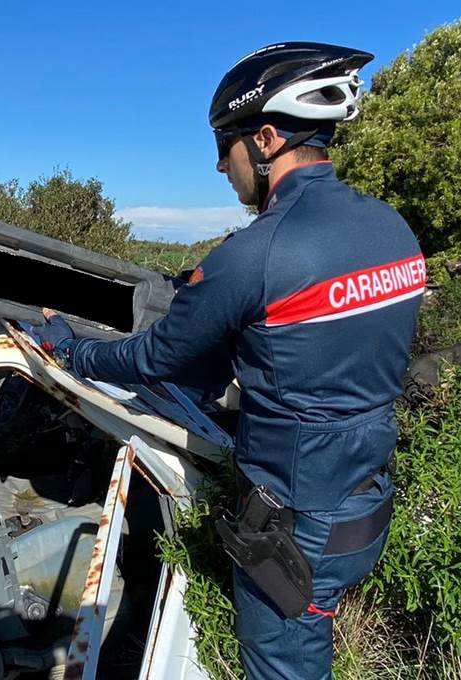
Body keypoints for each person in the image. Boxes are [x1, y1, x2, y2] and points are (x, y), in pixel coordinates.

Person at [31, 42, 425, 679]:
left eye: (225, 145)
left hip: (296, 529)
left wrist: (71, 349)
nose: (220, 166)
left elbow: (157, 358)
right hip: (367, 499)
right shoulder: (391, 229)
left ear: (265, 139)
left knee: (284, 665)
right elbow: (317, 342)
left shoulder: (256, 253)